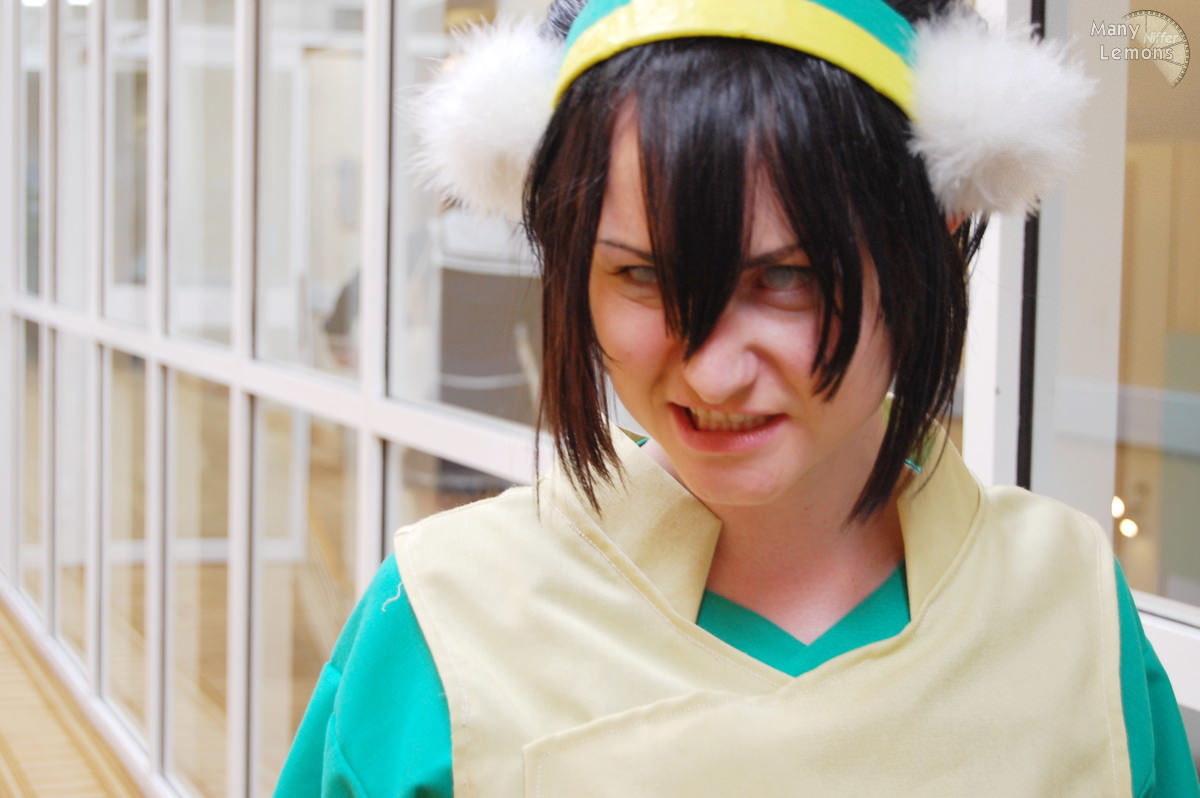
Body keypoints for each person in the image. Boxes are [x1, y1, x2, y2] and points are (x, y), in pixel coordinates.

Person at [276, 0, 1200, 795]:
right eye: (641, 275)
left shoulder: (1068, 605)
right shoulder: (443, 622)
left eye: (786, 277)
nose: (712, 374)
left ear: (937, 229)